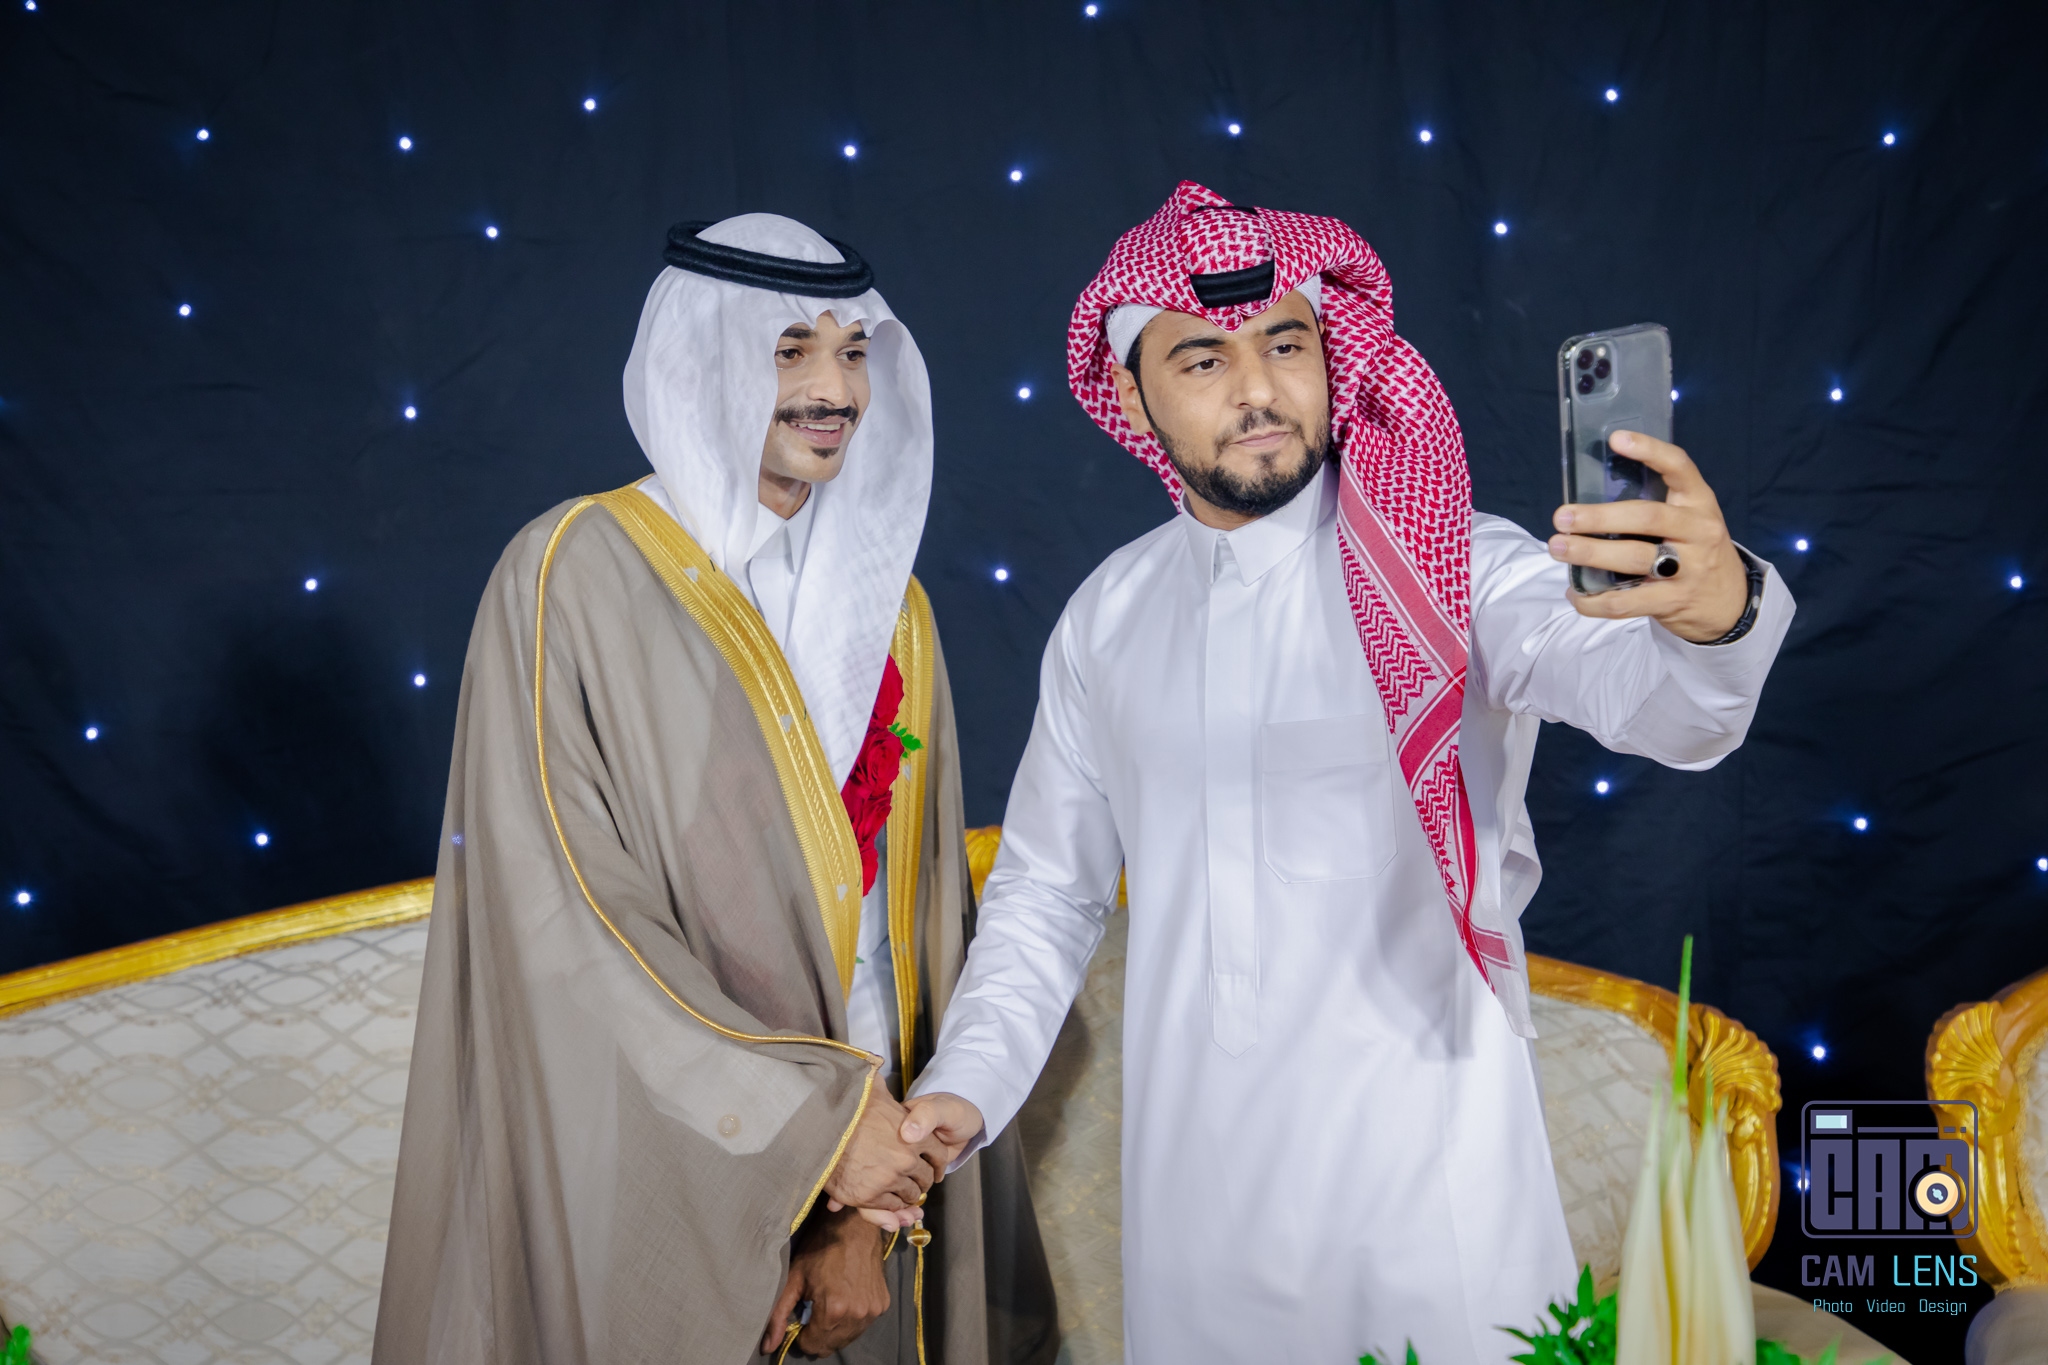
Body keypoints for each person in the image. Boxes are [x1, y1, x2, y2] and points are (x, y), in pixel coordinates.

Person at [891, 182, 1795, 1363]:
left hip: (1427, 1196)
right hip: (1196, 1205)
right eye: (1202, 359)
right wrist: (965, 1083)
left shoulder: (1450, 565)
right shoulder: (1107, 615)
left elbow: (1664, 712)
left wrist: (1715, 613)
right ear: (1130, 391)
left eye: (1284, 344)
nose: (1258, 391)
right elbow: (1047, 892)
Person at [374, 214, 1054, 1365]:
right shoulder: (571, 571)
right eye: (790, 351)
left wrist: (856, 1212)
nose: (834, 389)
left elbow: (900, 943)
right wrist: (807, 1137)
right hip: (651, 1156)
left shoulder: (894, 609)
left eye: (853, 352)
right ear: (701, 361)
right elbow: (567, 919)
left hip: (872, 1175)